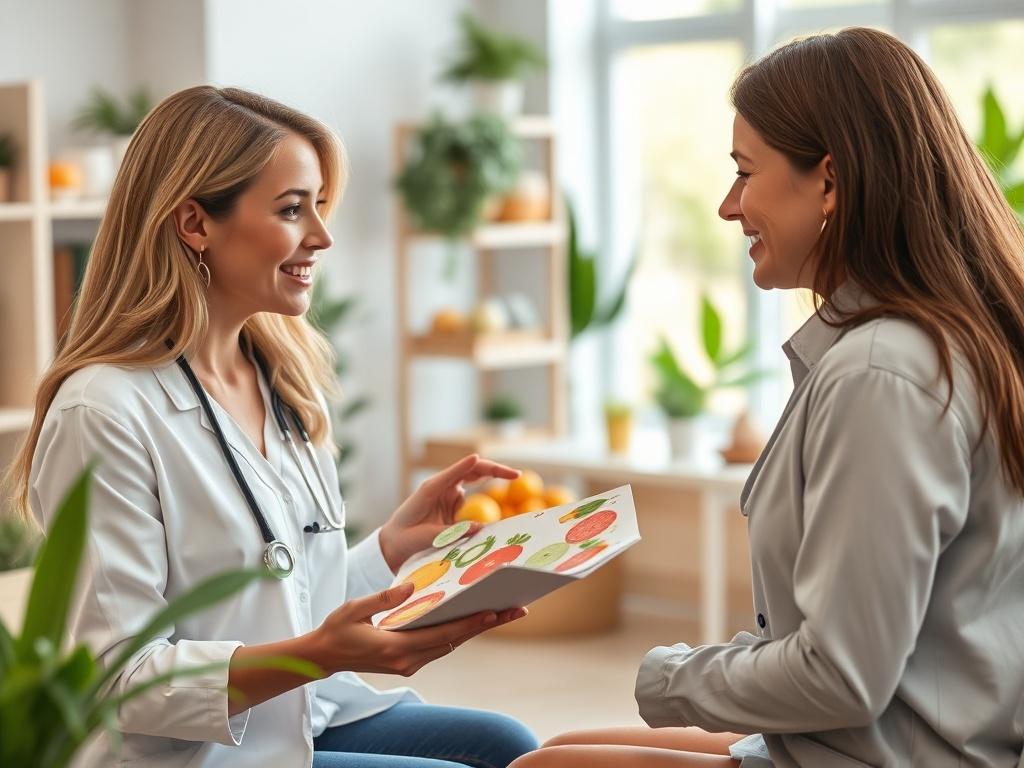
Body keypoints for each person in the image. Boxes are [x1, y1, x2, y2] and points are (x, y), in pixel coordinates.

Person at [511, 26, 1024, 768]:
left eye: (745, 173)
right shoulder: (935, 341)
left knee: (540, 766)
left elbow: (842, 676)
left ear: (830, 180)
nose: (727, 206)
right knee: (565, 744)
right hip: (908, 734)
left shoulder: (882, 374)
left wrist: (663, 677)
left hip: (894, 752)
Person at [9, 85, 538, 768]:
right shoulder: (104, 411)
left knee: (507, 746)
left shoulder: (278, 379)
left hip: (301, 714)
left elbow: (282, 593)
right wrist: (314, 655)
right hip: (191, 754)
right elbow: (118, 678)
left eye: (319, 205)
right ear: (194, 223)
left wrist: (388, 549)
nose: (322, 235)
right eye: (293, 209)